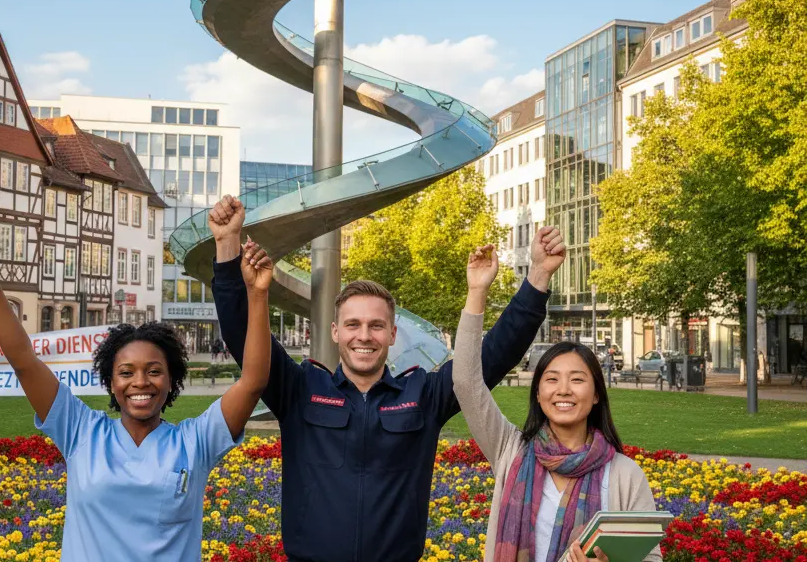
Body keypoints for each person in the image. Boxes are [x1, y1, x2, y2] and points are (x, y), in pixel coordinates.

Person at [207, 194, 566, 562]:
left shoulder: (423, 394)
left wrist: (537, 278)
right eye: (353, 325)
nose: (364, 336)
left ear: (393, 334)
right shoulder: (299, 389)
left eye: (376, 326)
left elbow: (491, 358)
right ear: (335, 332)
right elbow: (242, 336)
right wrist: (226, 244)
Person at [0, 229, 275, 561]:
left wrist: (257, 293)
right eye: (126, 372)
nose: (140, 382)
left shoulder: (195, 442)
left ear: (171, 380)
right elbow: (23, 361)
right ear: (111, 382)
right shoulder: (80, 432)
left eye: (154, 371)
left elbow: (253, 381)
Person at [453, 245, 661, 562]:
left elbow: (650, 558)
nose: (563, 390)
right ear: (538, 393)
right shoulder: (510, 450)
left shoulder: (624, 475)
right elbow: (467, 383)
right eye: (551, 379)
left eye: (577, 380)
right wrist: (477, 291)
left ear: (595, 395)